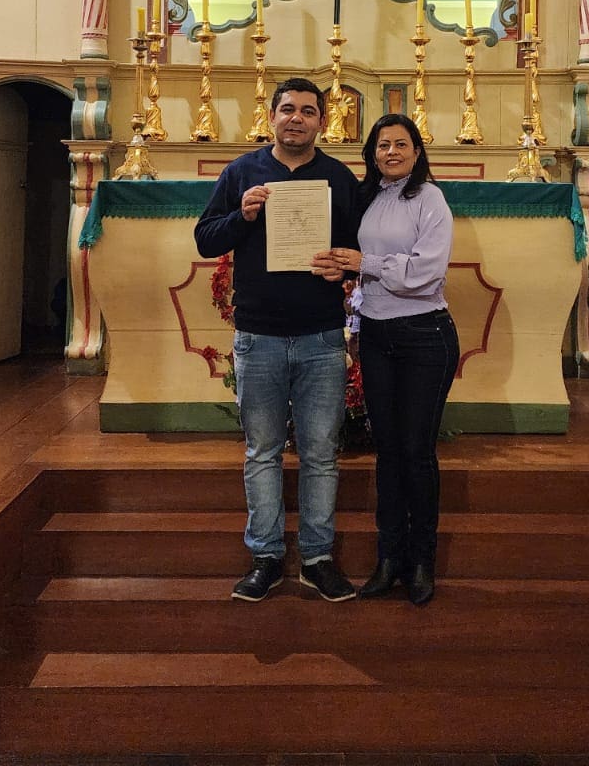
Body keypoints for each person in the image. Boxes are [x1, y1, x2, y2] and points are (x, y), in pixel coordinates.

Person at [194, 78, 361, 603]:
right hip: (259, 335)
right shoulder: (241, 172)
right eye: (288, 109)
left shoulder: (339, 178)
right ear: (271, 116)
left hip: (320, 336)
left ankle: (317, 558)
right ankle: (265, 557)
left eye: (308, 111)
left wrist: (344, 268)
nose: (297, 118)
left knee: (320, 454)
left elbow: (358, 248)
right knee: (262, 452)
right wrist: (241, 216)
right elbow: (205, 238)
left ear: (321, 122)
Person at [329, 113, 458, 606]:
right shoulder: (368, 198)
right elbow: (354, 267)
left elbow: (427, 271)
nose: (391, 153)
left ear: (417, 151)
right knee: (387, 451)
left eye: (401, 144)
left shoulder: (430, 199)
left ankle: (421, 561)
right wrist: (354, 305)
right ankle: (388, 558)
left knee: (416, 450)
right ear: (372, 153)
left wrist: (367, 264)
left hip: (425, 334)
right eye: (383, 145)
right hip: (377, 334)